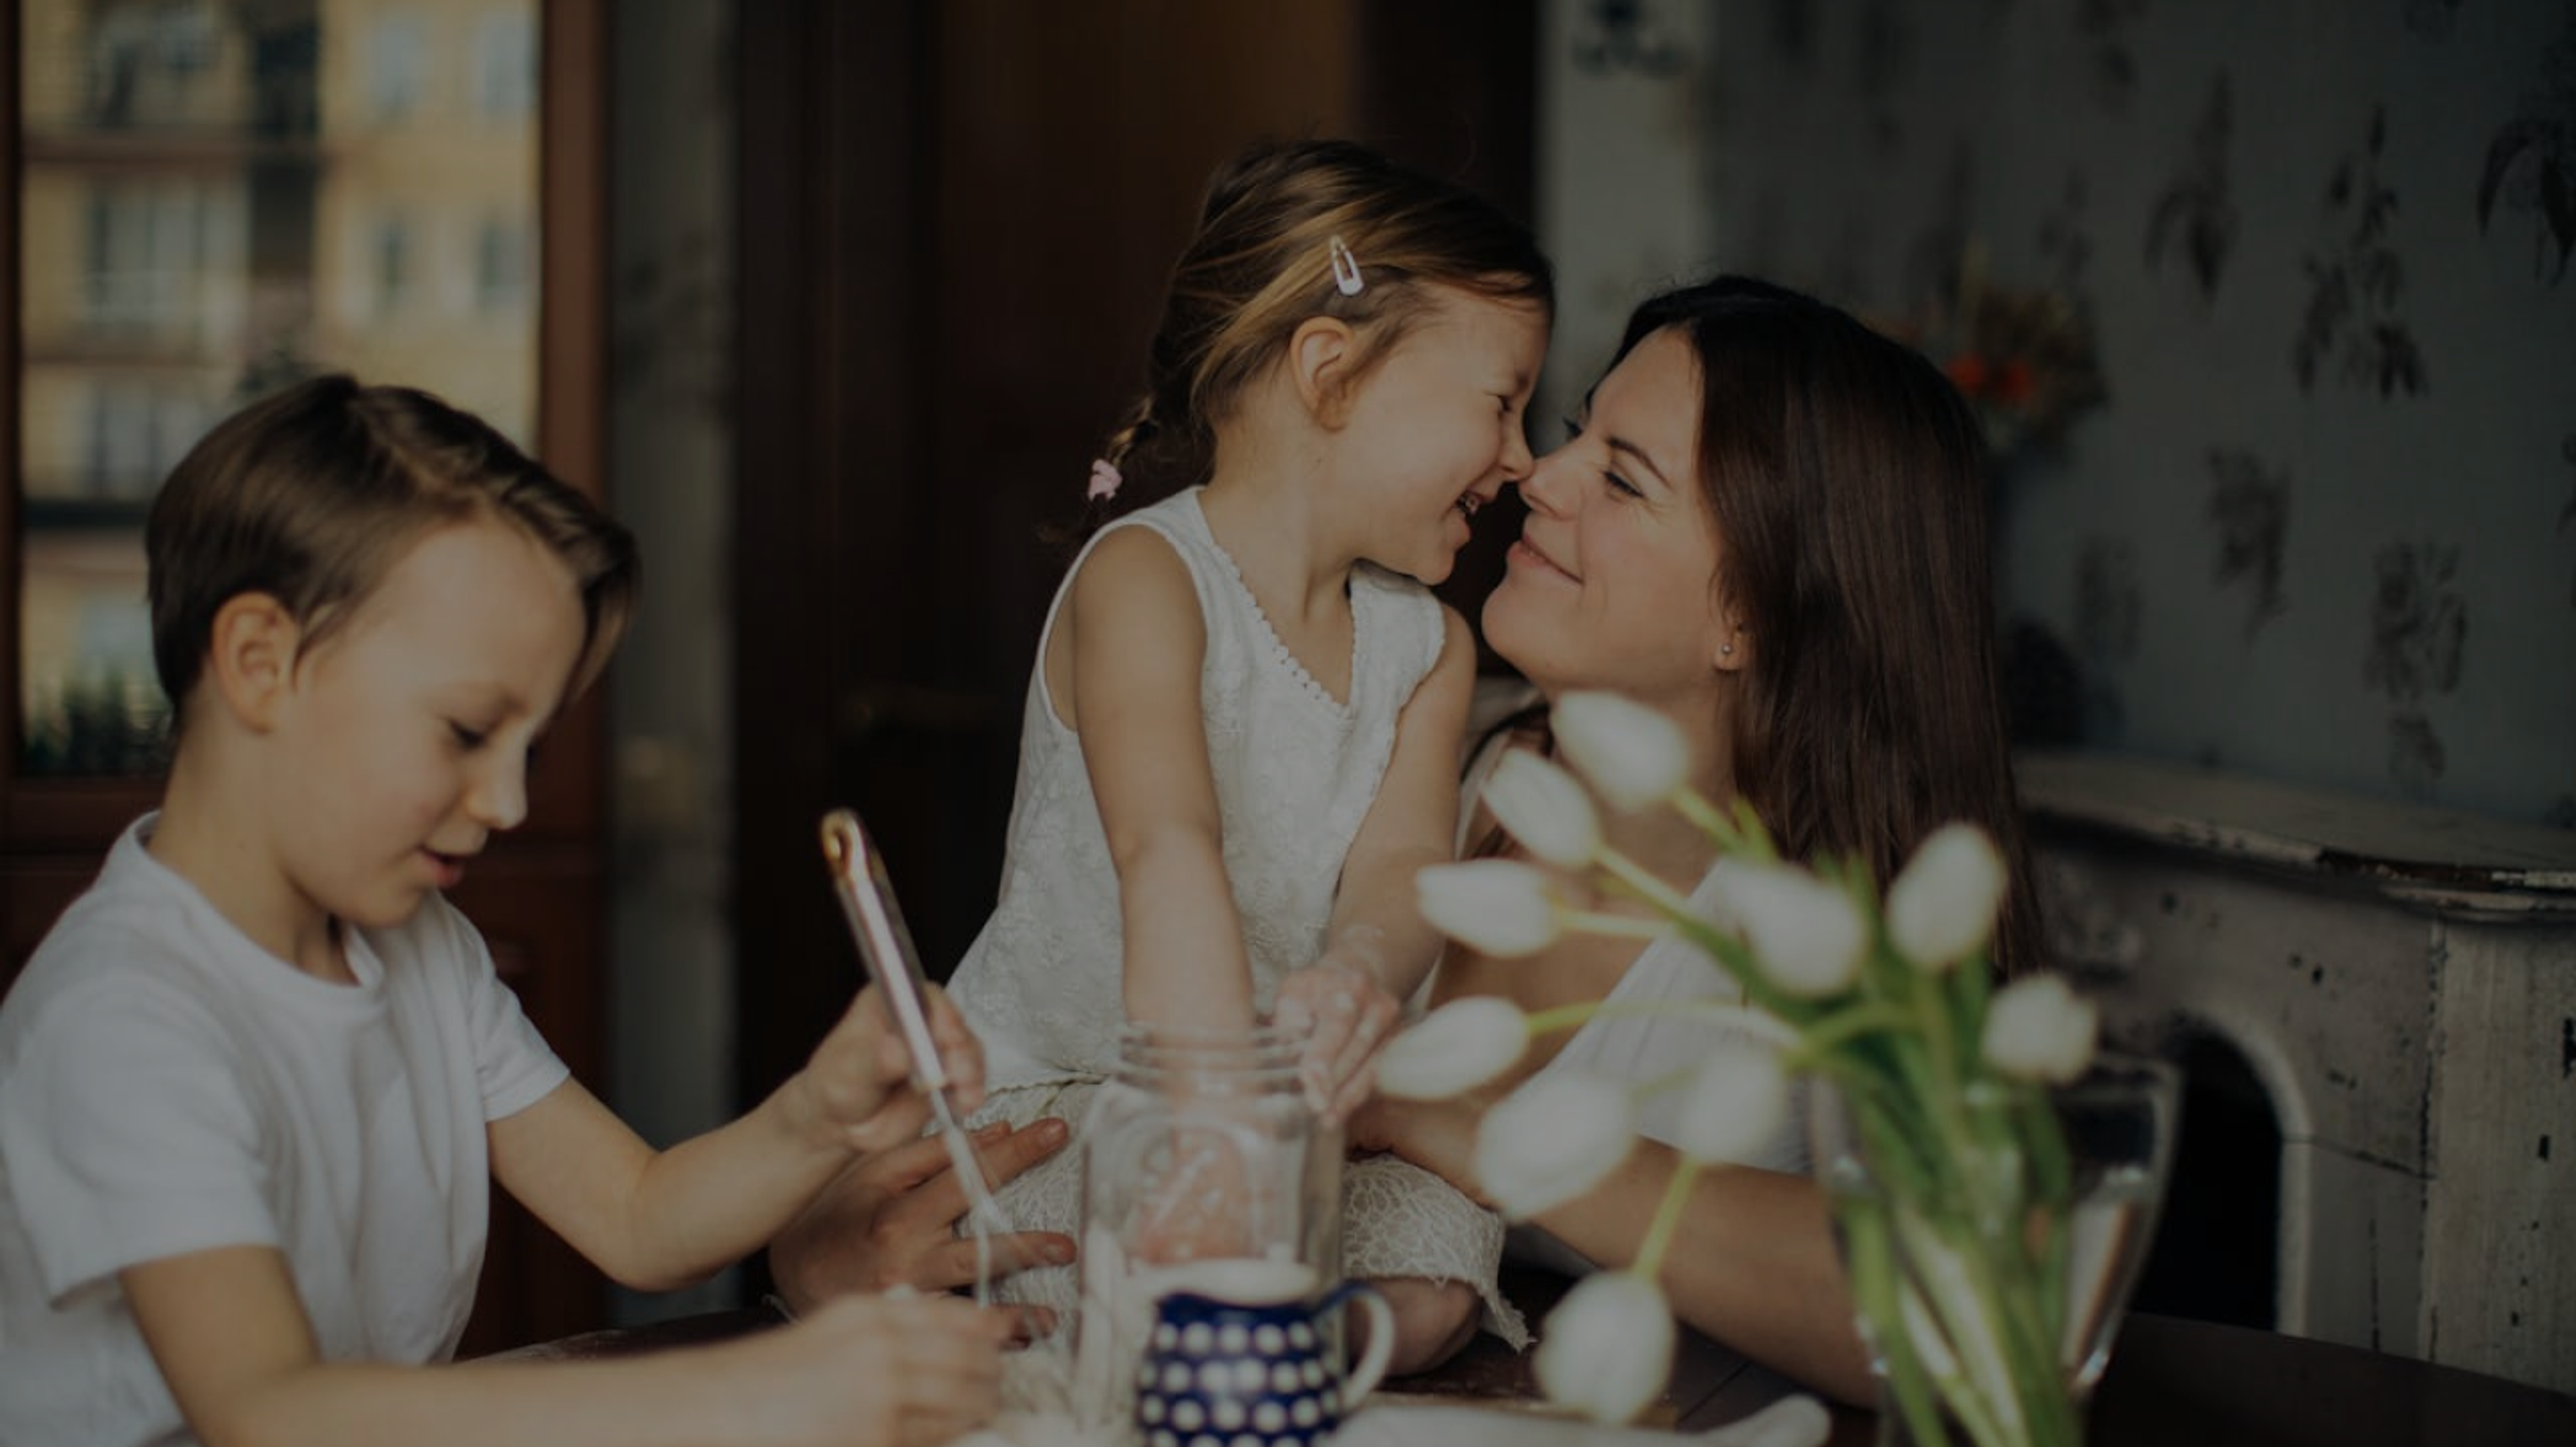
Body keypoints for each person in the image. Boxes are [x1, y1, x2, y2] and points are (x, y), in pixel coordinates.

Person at [0, 376, 1014, 1447]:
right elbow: (270, 1413)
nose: (510, 802)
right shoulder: (124, 1018)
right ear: (262, 662)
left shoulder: (419, 945)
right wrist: (756, 1392)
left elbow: (636, 1216)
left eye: (527, 749)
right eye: (466, 730)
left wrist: (822, 1113)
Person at [775, 138, 1553, 1373]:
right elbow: (1166, 847)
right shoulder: (1147, 578)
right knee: (1098, 1228)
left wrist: (1360, 970)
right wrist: (1211, 1129)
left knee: (1442, 1254)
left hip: (1299, 1123)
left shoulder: (1428, 649)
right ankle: (1208, 1319)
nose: (1521, 457)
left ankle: (1263, 1333)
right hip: (1091, 1093)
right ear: (1332, 373)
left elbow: (1404, 868)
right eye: (1502, 402)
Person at [1352, 274, 2044, 1405]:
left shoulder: (1845, 931)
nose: (1541, 471)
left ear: (1750, 616)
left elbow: (1959, 1311)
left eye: (1622, 477)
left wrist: (1488, 1130)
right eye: (1580, 432)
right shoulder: (1421, 753)